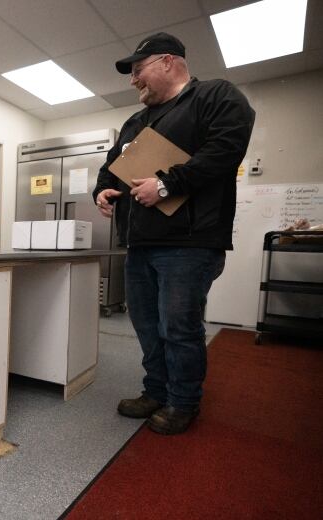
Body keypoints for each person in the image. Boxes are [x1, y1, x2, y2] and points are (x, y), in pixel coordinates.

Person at [93, 33, 255, 435]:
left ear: (168, 62)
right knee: (146, 325)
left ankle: (183, 403)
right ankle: (156, 390)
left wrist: (166, 184)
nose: (133, 80)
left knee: (178, 326)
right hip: (140, 242)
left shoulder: (215, 96)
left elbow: (225, 150)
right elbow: (110, 167)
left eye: (138, 70)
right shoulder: (135, 121)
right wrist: (102, 189)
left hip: (189, 243)